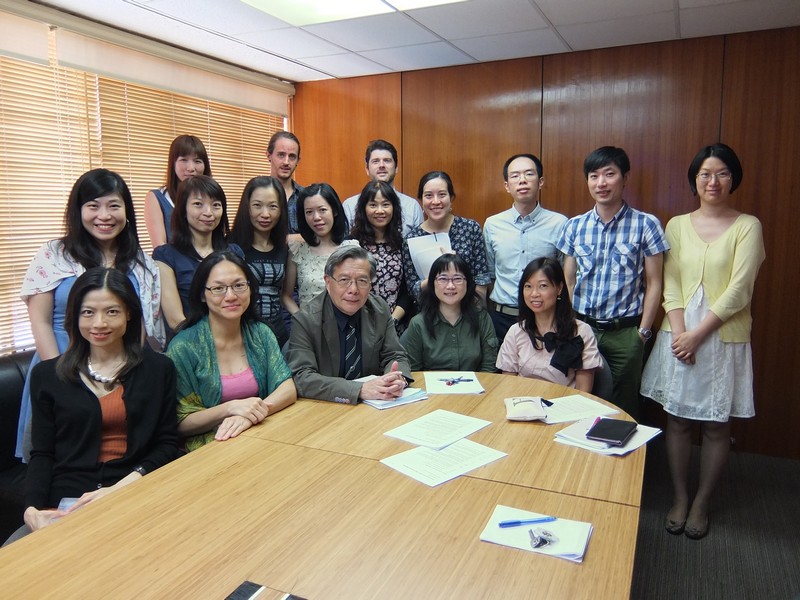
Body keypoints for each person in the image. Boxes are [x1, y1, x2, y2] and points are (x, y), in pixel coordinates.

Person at [641, 144, 765, 540]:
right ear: (694, 180)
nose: (713, 181)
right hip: (677, 335)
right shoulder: (675, 224)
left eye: (722, 173)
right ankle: (679, 496)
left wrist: (698, 334)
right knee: (676, 420)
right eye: (705, 174)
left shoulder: (748, 225)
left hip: (721, 337)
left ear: (734, 178)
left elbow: (740, 290)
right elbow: (668, 281)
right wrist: (680, 332)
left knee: (715, 425)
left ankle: (702, 502)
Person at [4, 268, 178, 546]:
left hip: (135, 490)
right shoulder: (47, 375)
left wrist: (120, 488)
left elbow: (168, 443)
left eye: (112, 311)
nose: (99, 323)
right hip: (68, 502)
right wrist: (32, 510)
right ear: (75, 315)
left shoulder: (159, 369)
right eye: (88, 312)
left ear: (129, 313)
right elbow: (42, 453)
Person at [16, 168, 163, 462]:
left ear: (126, 210)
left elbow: (142, 327)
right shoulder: (54, 254)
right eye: (93, 206)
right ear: (78, 210)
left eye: (114, 206)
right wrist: (60, 379)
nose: (104, 216)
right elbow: (41, 322)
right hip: (60, 364)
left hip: (121, 376)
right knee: (63, 465)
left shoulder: (141, 263)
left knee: (119, 459)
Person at [556, 146, 668, 419]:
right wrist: (572, 323)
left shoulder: (646, 224)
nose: (601, 183)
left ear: (625, 177)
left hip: (626, 333)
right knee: (579, 400)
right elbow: (568, 281)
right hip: (583, 329)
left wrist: (641, 334)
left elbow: (655, 284)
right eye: (594, 176)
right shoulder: (574, 226)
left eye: (609, 174)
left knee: (624, 407)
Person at [166, 251, 296, 452]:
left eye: (238, 286)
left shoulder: (260, 333)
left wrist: (249, 416)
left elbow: (287, 389)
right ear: (202, 294)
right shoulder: (183, 347)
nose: (231, 296)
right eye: (218, 288)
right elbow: (180, 422)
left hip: (262, 438)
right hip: (209, 449)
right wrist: (230, 408)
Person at [287, 245, 412, 404]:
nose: (353, 290)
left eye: (362, 281)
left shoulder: (379, 309)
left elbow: (395, 355)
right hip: (325, 407)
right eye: (344, 280)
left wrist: (395, 378)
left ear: (370, 284)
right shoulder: (306, 320)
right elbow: (302, 377)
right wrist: (358, 390)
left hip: (374, 407)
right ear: (327, 281)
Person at [484, 153, 567, 342]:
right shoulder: (492, 224)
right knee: (501, 372)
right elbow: (490, 274)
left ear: (540, 182)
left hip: (545, 318)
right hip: (501, 319)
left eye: (529, 174)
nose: (522, 180)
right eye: (515, 176)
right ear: (507, 186)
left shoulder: (559, 223)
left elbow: (565, 275)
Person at [497, 257, 602, 392]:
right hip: (523, 405)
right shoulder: (516, 331)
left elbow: (584, 392)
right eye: (528, 286)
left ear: (559, 288)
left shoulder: (581, 331)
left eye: (543, 286)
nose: (534, 294)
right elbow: (508, 385)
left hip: (565, 407)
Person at [153, 174, 243, 331]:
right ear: (183, 209)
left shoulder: (234, 252)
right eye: (198, 204)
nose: (208, 212)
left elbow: (242, 304)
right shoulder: (165, 256)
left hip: (234, 340)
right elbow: (175, 320)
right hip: (188, 344)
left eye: (216, 205)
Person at [403, 171, 491, 302]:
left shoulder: (470, 228)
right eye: (428, 195)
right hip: (429, 314)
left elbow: (481, 278)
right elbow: (413, 289)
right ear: (421, 200)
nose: (436, 201)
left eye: (442, 194)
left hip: (469, 310)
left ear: (451, 198)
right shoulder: (411, 238)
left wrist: (473, 313)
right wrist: (440, 270)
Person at [401, 254, 497, 372]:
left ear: (467, 283)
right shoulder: (418, 324)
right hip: (431, 389)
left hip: (477, 389)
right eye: (443, 279)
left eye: (457, 279)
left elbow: (489, 368)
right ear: (432, 283)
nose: (450, 286)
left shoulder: (482, 318)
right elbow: (413, 372)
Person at [228, 176, 290, 347]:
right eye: (257, 205)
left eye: (273, 206)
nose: (265, 214)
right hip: (241, 338)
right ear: (246, 207)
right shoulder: (231, 248)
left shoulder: (284, 249)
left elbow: (285, 295)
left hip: (278, 337)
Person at [349, 180, 414, 334]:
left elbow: (407, 290)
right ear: (363, 209)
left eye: (385, 204)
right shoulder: (353, 243)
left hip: (395, 325)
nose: (380, 210)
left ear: (394, 208)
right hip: (359, 324)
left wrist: (392, 320)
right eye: (373, 205)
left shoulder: (402, 244)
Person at [281, 183, 359, 312]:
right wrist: (303, 320)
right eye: (309, 212)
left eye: (322, 210)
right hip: (309, 327)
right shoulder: (298, 250)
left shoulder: (351, 249)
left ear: (334, 211)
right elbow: (286, 296)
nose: (316, 217)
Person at [342, 139, 423, 237]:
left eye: (387, 161)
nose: (381, 165)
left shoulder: (412, 206)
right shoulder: (350, 206)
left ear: (396, 168)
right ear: (367, 169)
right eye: (375, 161)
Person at [144, 135, 212, 248]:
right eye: (183, 160)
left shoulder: (212, 196)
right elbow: (160, 248)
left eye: (197, 161)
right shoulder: (157, 197)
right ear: (173, 163)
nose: (191, 168)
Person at [266, 131, 304, 233]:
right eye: (281, 155)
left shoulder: (305, 196)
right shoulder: (257, 194)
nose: (286, 162)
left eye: (292, 156)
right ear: (269, 155)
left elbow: (318, 237)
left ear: (297, 161)